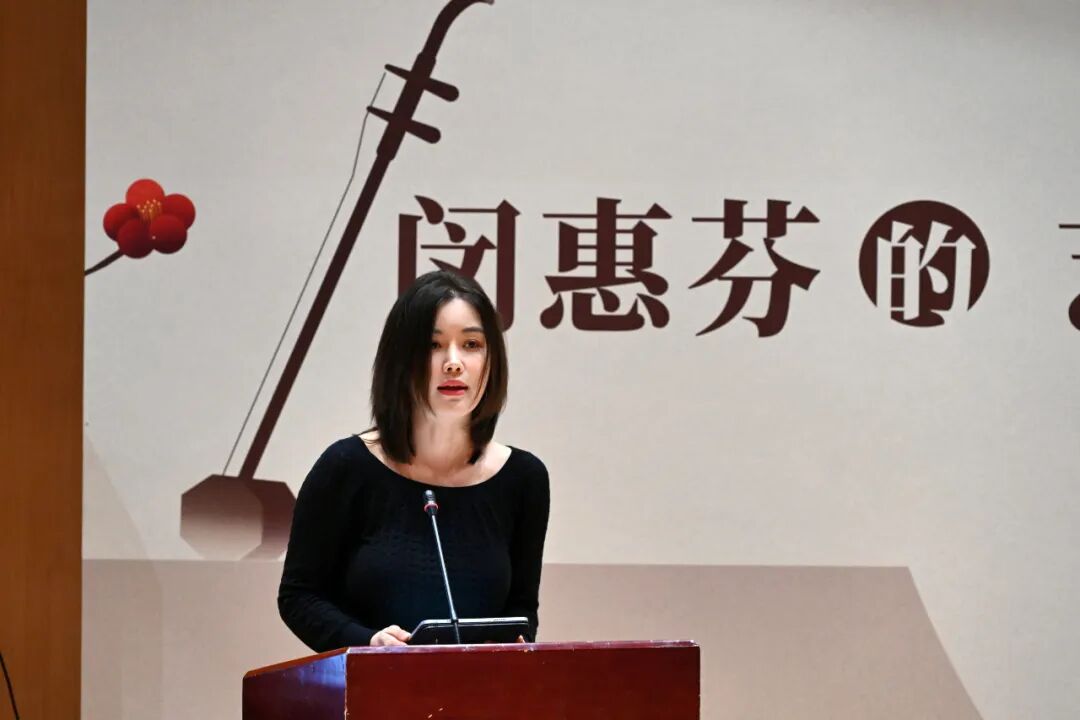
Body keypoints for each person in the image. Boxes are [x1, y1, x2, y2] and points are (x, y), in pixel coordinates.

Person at [278, 271, 550, 651]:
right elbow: (300, 596)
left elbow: (521, 609)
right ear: (401, 359)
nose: (453, 363)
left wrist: (515, 644)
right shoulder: (345, 467)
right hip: (373, 683)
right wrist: (368, 643)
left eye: (471, 344)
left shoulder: (523, 479)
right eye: (433, 345)